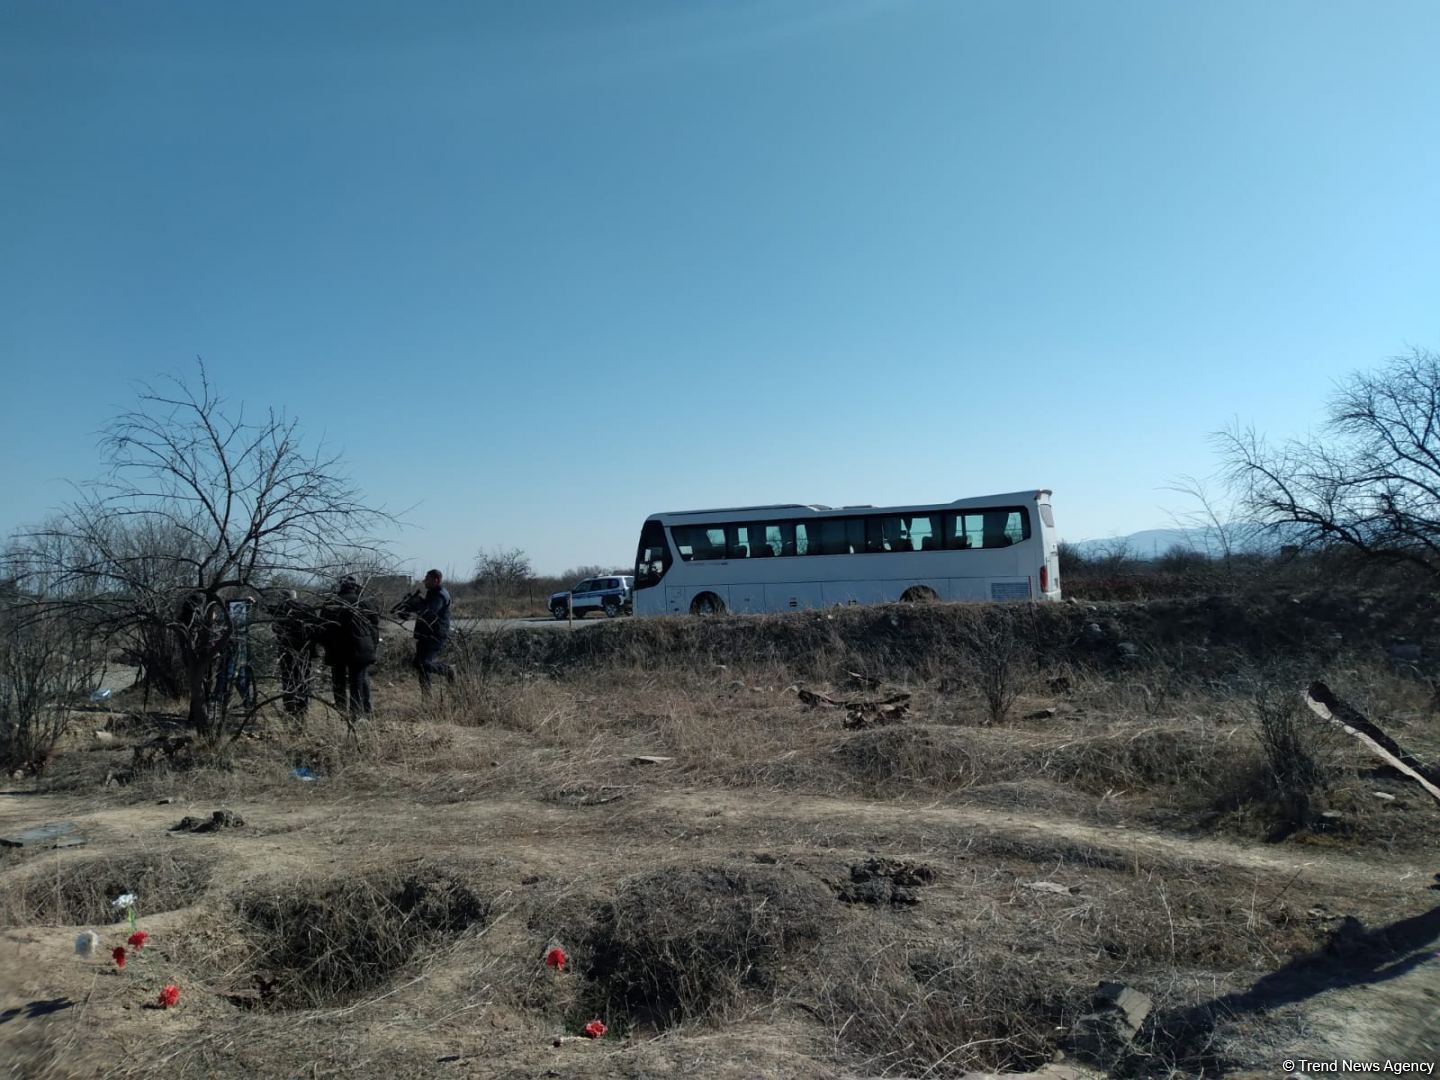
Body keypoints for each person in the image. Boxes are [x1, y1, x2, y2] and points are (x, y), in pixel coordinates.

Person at [320, 577, 380, 721]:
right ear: (355, 587)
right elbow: (375, 622)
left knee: (338, 682)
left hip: (336, 648)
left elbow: (321, 625)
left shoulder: (330, 603)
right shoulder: (363, 601)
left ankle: (342, 714)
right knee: (358, 681)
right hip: (360, 648)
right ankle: (359, 714)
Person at [392, 568, 453, 696]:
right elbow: (424, 609)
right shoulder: (433, 593)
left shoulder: (440, 595)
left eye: (427, 578)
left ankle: (448, 670)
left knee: (423, 663)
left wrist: (417, 604)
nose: (424, 581)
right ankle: (426, 697)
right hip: (426, 634)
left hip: (435, 634)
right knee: (420, 666)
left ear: (435, 580)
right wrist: (410, 606)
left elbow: (430, 613)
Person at [270, 590, 318, 720]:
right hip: (305, 650)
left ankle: (290, 708)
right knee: (303, 679)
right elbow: (316, 629)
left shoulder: (281, 610)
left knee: (288, 679)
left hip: (286, 650)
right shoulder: (307, 609)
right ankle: (303, 708)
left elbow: (275, 627)